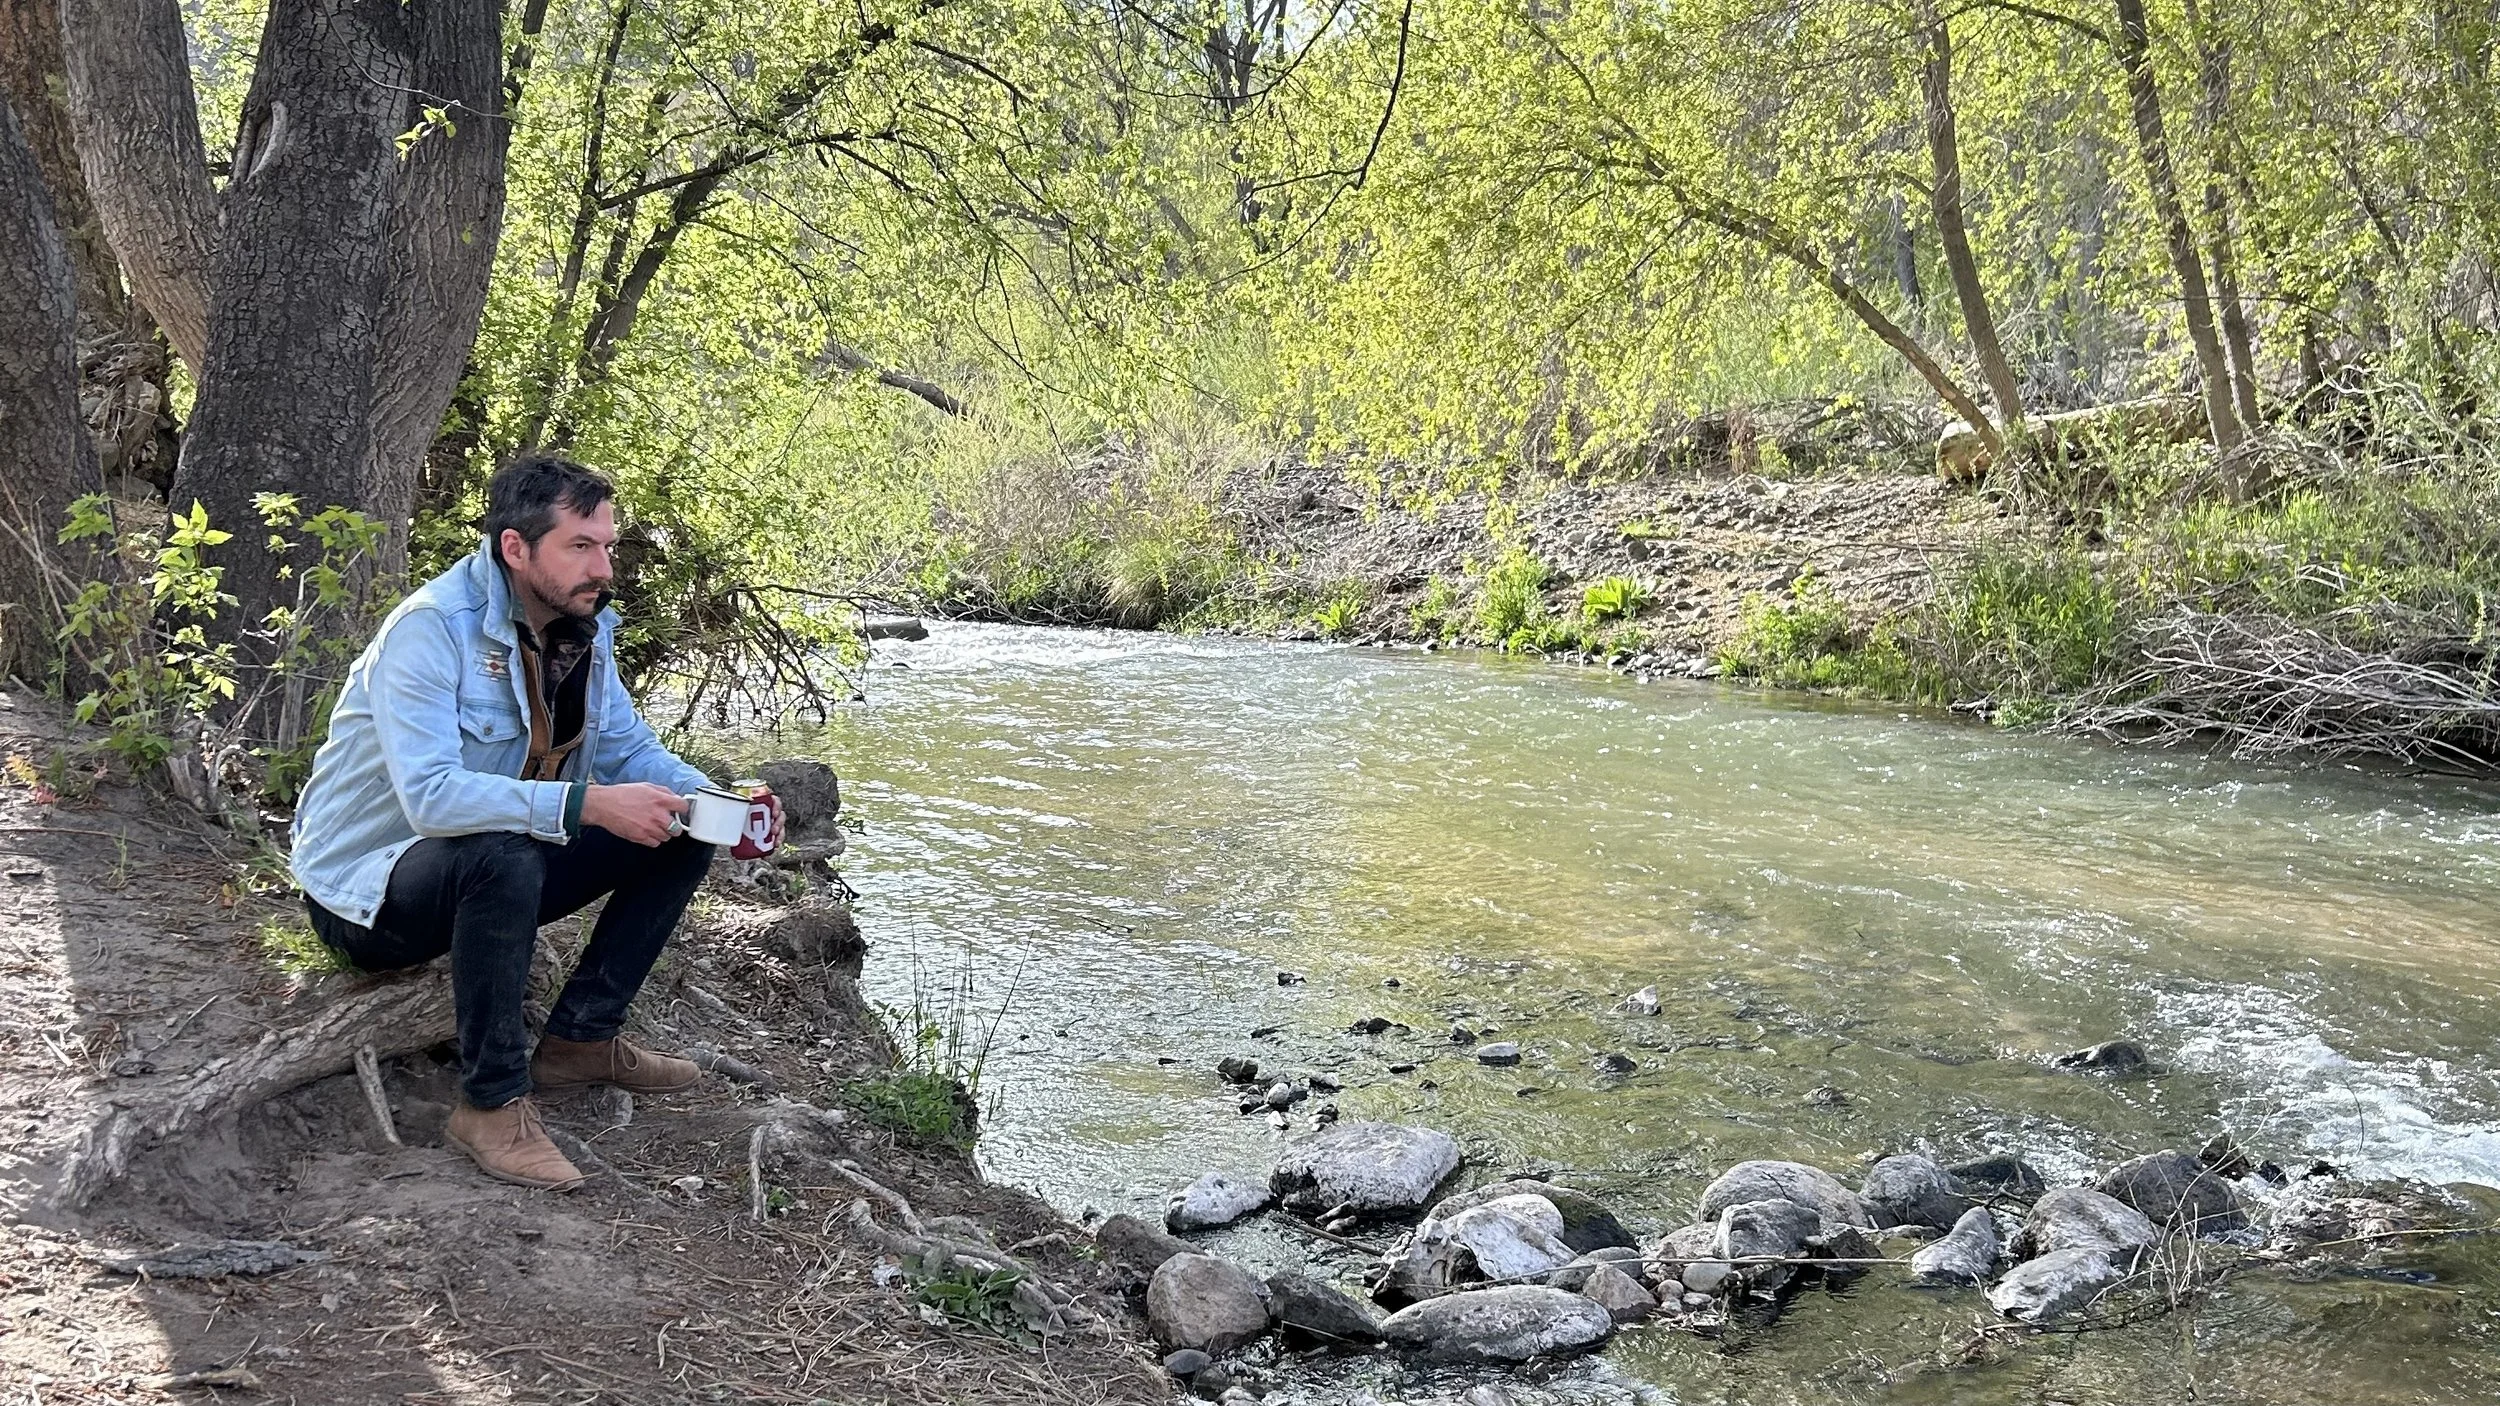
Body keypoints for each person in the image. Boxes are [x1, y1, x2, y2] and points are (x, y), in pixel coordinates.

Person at [289, 453, 778, 1190]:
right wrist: (586, 804)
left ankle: (580, 1042)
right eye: (580, 546)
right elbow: (431, 799)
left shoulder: (582, 629)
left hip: (490, 862)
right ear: (515, 548)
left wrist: (718, 803)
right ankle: (489, 1105)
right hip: (368, 896)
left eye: (606, 545)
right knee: (503, 854)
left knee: (677, 827)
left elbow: (627, 749)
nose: (603, 568)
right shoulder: (430, 630)